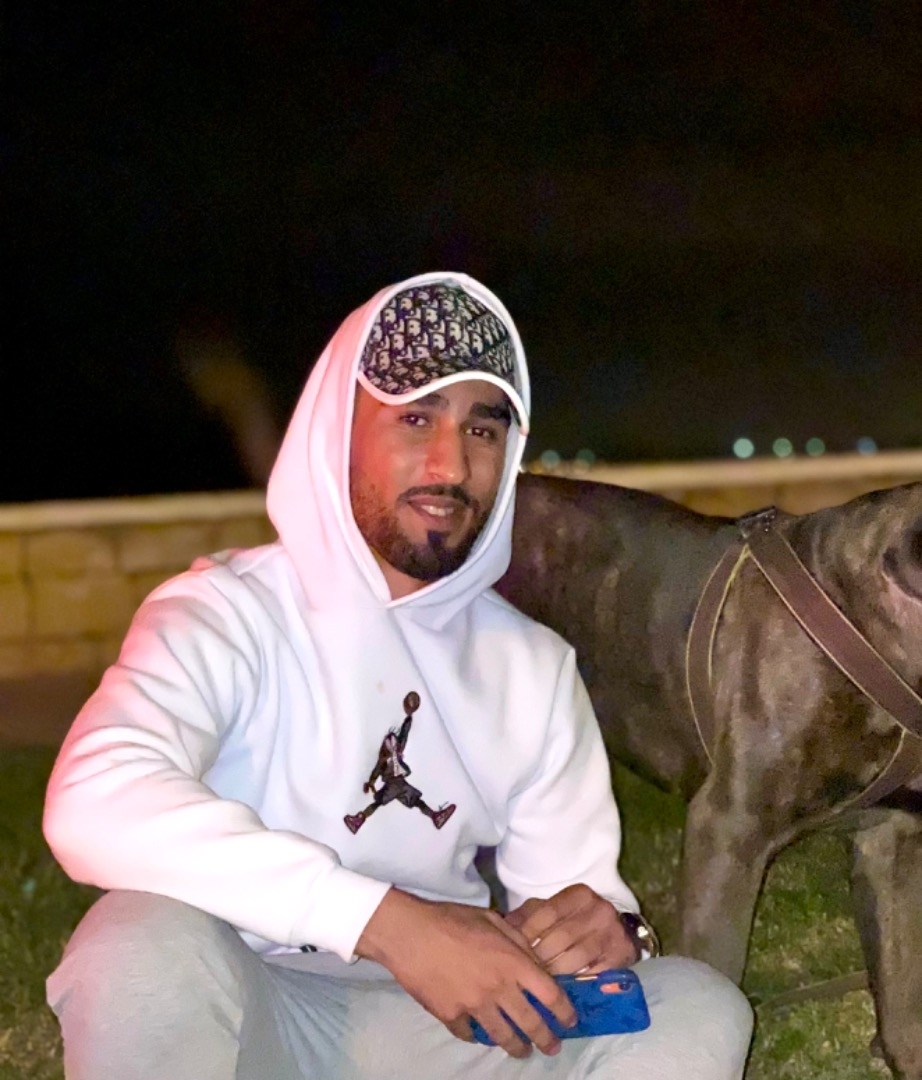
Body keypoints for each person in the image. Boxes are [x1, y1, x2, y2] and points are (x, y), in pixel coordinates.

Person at [44, 272, 753, 1079]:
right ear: (336, 429)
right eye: (416, 417)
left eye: (483, 428)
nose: (451, 464)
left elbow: (576, 896)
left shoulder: (530, 667)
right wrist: (389, 924)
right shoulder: (226, 613)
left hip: (444, 1018)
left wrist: (606, 930)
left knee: (697, 1007)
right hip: (250, 997)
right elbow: (95, 798)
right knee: (133, 945)